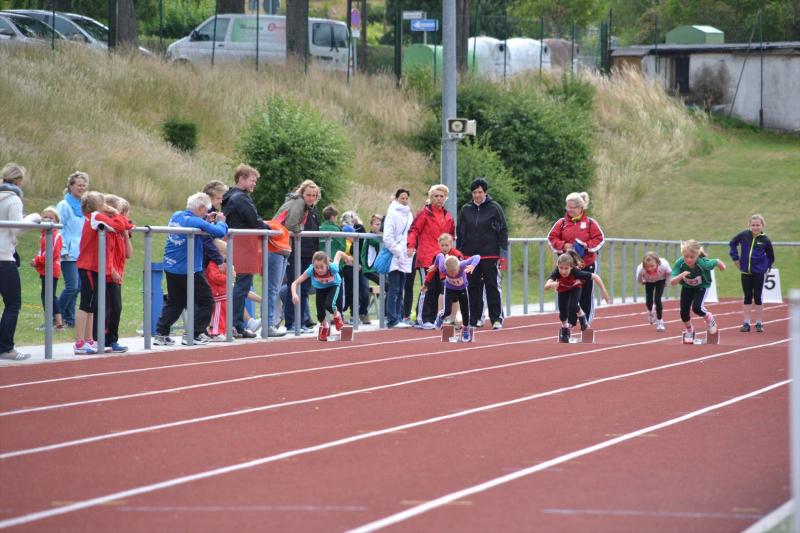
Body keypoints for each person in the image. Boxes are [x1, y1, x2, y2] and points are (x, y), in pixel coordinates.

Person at [154, 193, 228, 346]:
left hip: (171, 265)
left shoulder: (177, 215)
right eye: (205, 211)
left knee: (176, 302)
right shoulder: (194, 221)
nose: (206, 214)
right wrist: (221, 222)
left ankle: (161, 333)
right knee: (207, 300)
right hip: (188, 269)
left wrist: (205, 220)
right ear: (200, 208)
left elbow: (196, 223)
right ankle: (193, 334)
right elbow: (220, 232)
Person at [73, 191, 128, 355]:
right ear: (98, 205)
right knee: (86, 304)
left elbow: (123, 226)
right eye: (103, 203)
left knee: (91, 306)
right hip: (89, 266)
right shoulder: (96, 216)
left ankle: (90, 340)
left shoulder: (94, 217)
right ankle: (79, 342)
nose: (106, 206)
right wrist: (116, 213)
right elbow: (119, 226)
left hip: (95, 267)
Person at [221, 164, 270, 339]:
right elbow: (253, 220)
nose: (254, 184)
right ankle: (234, 325)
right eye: (252, 180)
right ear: (241, 179)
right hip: (243, 247)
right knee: (241, 286)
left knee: (240, 286)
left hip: (236, 245)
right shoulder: (240, 198)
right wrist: (269, 228)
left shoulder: (229, 197)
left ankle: (237, 325)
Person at [0, 163, 40, 361]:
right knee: (13, 303)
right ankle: (6, 348)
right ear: (18, 181)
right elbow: (17, 228)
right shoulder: (13, 198)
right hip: (4, 257)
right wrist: (34, 218)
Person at [457, 178, 509, 330]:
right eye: (474, 192)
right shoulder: (465, 209)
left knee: (492, 286)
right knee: (472, 287)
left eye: (480, 192)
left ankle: (496, 319)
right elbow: (460, 231)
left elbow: (503, 230)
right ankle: (475, 319)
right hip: (470, 256)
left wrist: (502, 254)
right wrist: (459, 252)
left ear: (485, 192)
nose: (477, 195)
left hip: (490, 254)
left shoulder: (495, 208)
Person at [548, 191, 605, 326]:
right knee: (568, 294)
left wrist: (587, 246)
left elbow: (600, 239)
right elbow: (551, 239)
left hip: (587, 264)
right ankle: (571, 323)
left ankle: (587, 323)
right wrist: (563, 245)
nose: (569, 210)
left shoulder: (590, 223)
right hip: (567, 267)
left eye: (572, 207)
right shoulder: (561, 223)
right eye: (567, 207)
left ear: (580, 208)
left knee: (586, 294)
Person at [275, 180, 321, 333]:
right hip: (296, 252)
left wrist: (316, 254)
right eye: (308, 195)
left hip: (308, 254)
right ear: (302, 193)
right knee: (294, 286)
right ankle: (291, 323)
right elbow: (291, 225)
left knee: (304, 288)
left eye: (314, 195)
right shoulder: (299, 203)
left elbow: (315, 233)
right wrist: (299, 231)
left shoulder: (312, 210)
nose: (311, 198)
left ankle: (301, 322)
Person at [407, 184, 455, 326]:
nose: (439, 198)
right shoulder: (424, 213)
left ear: (445, 198)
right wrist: (410, 246)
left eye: (441, 196)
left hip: (442, 259)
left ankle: (432, 318)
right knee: (427, 287)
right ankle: (423, 318)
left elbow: (450, 238)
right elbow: (414, 230)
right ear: (431, 197)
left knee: (438, 290)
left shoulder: (448, 217)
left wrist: (453, 255)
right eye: (436, 196)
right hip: (426, 257)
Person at [545, 251, 611, 343]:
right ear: (557, 265)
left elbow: (595, 277)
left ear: (571, 267)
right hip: (563, 289)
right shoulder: (556, 272)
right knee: (563, 312)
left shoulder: (576, 272)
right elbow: (546, 286)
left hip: (575, 287)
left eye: (566, 268)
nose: (563, 271)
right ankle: (565, 328)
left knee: (572, 305)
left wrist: (604, 291)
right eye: (561, 268)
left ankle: (581, 315)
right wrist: (551, 284)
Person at [670, 240, 727, 344]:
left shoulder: (703, 263)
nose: (689, 259)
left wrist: (721, 265)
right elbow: (672, 282)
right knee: (683, 312)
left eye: (692, 257)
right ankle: (689, 330)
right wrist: (681, 275)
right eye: (686, 256)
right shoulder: (680, 263)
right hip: (687, 287)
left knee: (697, 308)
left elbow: (716, 261)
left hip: (702, 286)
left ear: (697, 255)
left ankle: (709, 319)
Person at [291, 250, 352, 341]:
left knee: (330, 305)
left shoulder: (333, 268)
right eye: (316, 267)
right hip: (320, 288)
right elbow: (295, 283)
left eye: (322, 267)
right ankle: (325, 327)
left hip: (334, 285)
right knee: (320, 315)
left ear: (327, 264)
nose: (319, 270)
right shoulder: (311, 270)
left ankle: (337, 316)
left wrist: (347, 258)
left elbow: (339, 253)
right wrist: (294, 294)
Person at [729, 214, 775, 333]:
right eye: (753, 225)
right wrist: (735, 258)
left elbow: (771, 257)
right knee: (747, 296)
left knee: (758, 296)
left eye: (758, 225)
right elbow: (732, 242)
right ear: (749, 225)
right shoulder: (744, 235)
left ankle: (759, 323)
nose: (755, 227)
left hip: (758, 273)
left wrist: (765, 268)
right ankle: (746, 323)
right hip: (745, 271)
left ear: (762, 225)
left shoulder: (765, 240)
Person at [101, 195, 134, 353]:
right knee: (110, 308)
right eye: (121, 212)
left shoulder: (120, 230)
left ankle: (111, 339)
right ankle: (106, 339)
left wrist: (126, 234)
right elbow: (105, 252)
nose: (123, 216)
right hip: (109, 274)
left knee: (116, 308)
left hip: (117, 274)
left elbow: (129, 254)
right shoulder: (109, 229)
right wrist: (112, 270)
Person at [56, 171, 89, 328]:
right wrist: (62, 249)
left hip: (81, 252)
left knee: (78, 288)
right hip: (68, 252)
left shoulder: (84, 206)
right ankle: (54, 317)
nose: (81, 188)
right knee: (72, 286)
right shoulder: (64, 205)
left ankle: (69, 319)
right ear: (70, 186)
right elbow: (58, 227)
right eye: (78, 185)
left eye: (84, 185)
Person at [383, 189, 414, 328]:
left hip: (406, 256)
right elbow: (387, 237)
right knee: (394, 288)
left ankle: (399, 317)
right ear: (396, 199)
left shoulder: (409, 214)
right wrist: (398, 251)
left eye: (406, 198)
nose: (405, 201)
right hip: (395, 256)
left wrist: (410, 248)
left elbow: (411, 233)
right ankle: (392, 319)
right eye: (402, 198)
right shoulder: (392, 213)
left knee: (401, 288)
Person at [30, 206, 64, 331]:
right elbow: (43, 252)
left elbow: (51, 253)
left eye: (51, 218)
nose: (48, 220)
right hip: (46, 269)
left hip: (52, 270)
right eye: (45, 217)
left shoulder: (54, 235)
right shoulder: (44, 235)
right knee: (49, 295)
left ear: (57, 221)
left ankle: (51, 322)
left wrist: (37, 260)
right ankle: (58, 323)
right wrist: (37, 261)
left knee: (48, 296)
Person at [420, 233, 464, 329]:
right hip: (444, 280)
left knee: (455, 298)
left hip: (456, 280)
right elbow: (431, 270)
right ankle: (440, 318)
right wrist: (426, 283)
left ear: (451, 244)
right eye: (442, 245)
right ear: (439, 245)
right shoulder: (438, 255)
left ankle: (453, 319)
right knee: (443, 294)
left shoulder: (457, 254)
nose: (444, 248)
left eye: (446, 245)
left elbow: (463, 266)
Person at [433, 254, 481, 342]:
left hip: (462, 289)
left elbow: (477, 256)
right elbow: (440, 255)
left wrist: (472, 265)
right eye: (450, 273)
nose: (453, 275)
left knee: (465, 311)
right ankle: (440, 316)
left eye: (454, 272)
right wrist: (435, 265)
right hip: (449, 289)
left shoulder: (462, 265)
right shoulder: (443, 268)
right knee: (447, 311)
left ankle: (465, 329)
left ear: (458, 267)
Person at [340, 210, 371, 324]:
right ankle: (351, 314)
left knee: (364, 290)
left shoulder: (360, 229)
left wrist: (359, 262)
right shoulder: (341, 231)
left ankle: (362, 312)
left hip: (359, 265)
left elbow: (361, 248)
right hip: (347, 266)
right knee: (350, 291)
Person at [635, 251, 671, 332]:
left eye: (652, 266)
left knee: (657, 299)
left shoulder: (664, 265)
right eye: (647, 267)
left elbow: (669, 273)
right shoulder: (641, 269)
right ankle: (650, 312)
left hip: (660, 280)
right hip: (648, 281)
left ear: (657, 263)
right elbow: (638, 279)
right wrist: (642, 282)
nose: (649, 269)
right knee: (649, 300)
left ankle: (660, 321)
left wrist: (667, 282)